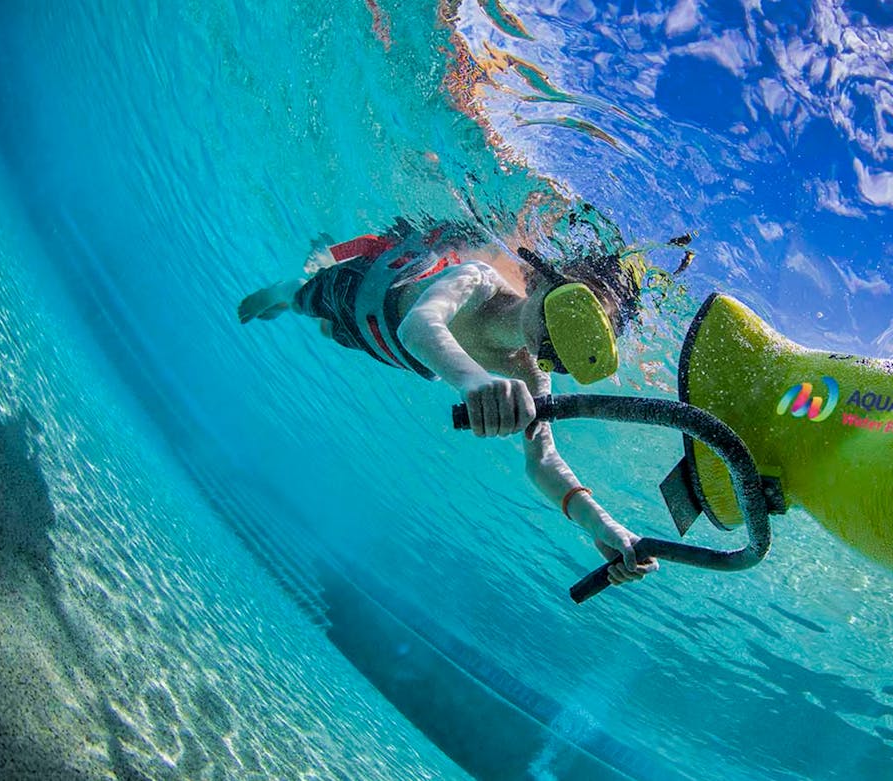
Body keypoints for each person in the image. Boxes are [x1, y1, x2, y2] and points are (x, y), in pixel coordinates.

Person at [238, 213, 659, 587]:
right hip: (362, 292)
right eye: (566, 318)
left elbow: (543, 460)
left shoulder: (532, 373)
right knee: (306, 299)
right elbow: (420, 325)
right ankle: (290, 288)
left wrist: (601, 525)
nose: (556, 344)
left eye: (578, 352)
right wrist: (474, 381)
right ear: (543, 280)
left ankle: (311, 301)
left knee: (332, 333)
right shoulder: (478, 280)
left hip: (382, 346)